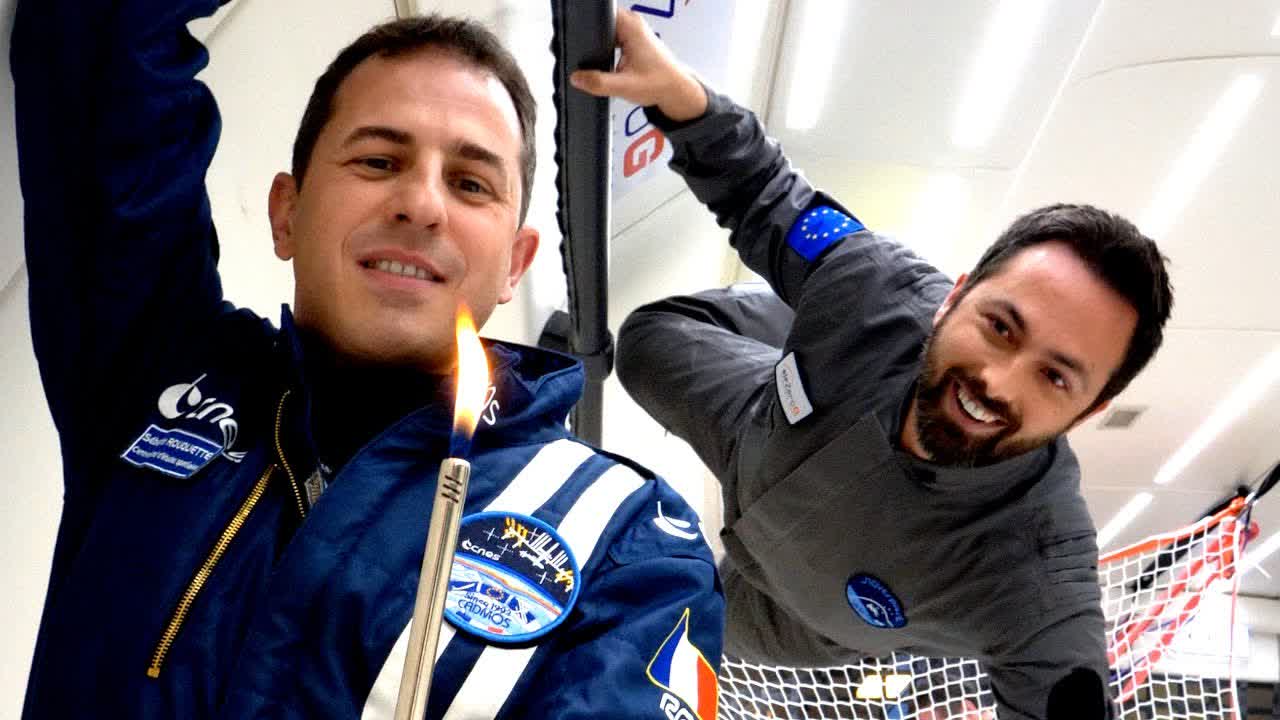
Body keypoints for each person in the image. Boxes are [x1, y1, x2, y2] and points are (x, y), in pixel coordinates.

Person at [11, 2, 724, 718]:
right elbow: (99, 40)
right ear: (287, 213)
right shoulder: (162, 370)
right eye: (378, 161)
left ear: (515, 263)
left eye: (470, 184)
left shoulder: (628, 544)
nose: (421, 204)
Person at [570, 9, 1173, 720]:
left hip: (801, 621)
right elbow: (769, 196)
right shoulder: (878, 285)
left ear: (1090, 411)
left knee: (681, 616)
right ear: (953, 299)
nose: (996, 382)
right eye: (1000, 327)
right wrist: (684, 103)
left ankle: (814, 329)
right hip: (762, 431)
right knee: (645, 343)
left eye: (1055, 376)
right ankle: (808, 326)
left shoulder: (1039, 574)